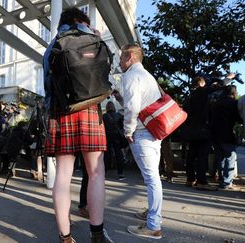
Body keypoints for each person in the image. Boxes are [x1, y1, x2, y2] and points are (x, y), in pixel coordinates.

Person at [43, 7, 113, 243]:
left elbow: (47, 86)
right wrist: (96, 35)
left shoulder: (53, 45)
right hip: (91, 110)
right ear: (82, 21)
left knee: (63, 175)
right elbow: (105, 73)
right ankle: (97, 234)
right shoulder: (94, 39)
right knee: (96, 173)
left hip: (62, 111)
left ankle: (66, 236)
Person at [118, 43, 163, 240]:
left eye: (121, 57)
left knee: (152, 179)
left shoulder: (131, 75)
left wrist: (128, 130)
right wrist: (122, 100)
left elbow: (132, 107)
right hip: (151, 132)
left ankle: (153, 225)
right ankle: (152, 215)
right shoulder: (146, 76)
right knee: (153, 178)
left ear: (130, 57)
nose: (119, 61)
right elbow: (138, 104)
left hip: (142, 133)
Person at [182, 76, 217, 191]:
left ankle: (190, 179)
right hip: (202, 130)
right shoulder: (202, 92)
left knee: (191, 155)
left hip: (191, 130)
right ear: (202, 84)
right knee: (202, 156)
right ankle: (201, 181)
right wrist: (229, 78)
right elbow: (214, 87)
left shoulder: (188, 97)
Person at [210, 85, 242, 189]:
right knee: (230, 157)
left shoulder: (216, 103)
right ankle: (227, 182)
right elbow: (238, 118)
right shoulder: (233, 103)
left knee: (220, 158)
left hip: (215, 133)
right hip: (227, 133)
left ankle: (222, 180)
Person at [103, 101, 127, 180]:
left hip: (107, 137)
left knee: (106, 155)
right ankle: (121, 173)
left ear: (106, 108)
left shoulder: (104, 116)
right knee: (118, 155)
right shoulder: (119, 115)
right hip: (117, 137)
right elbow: (123, 126)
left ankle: (104, 173)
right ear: (114, 107)